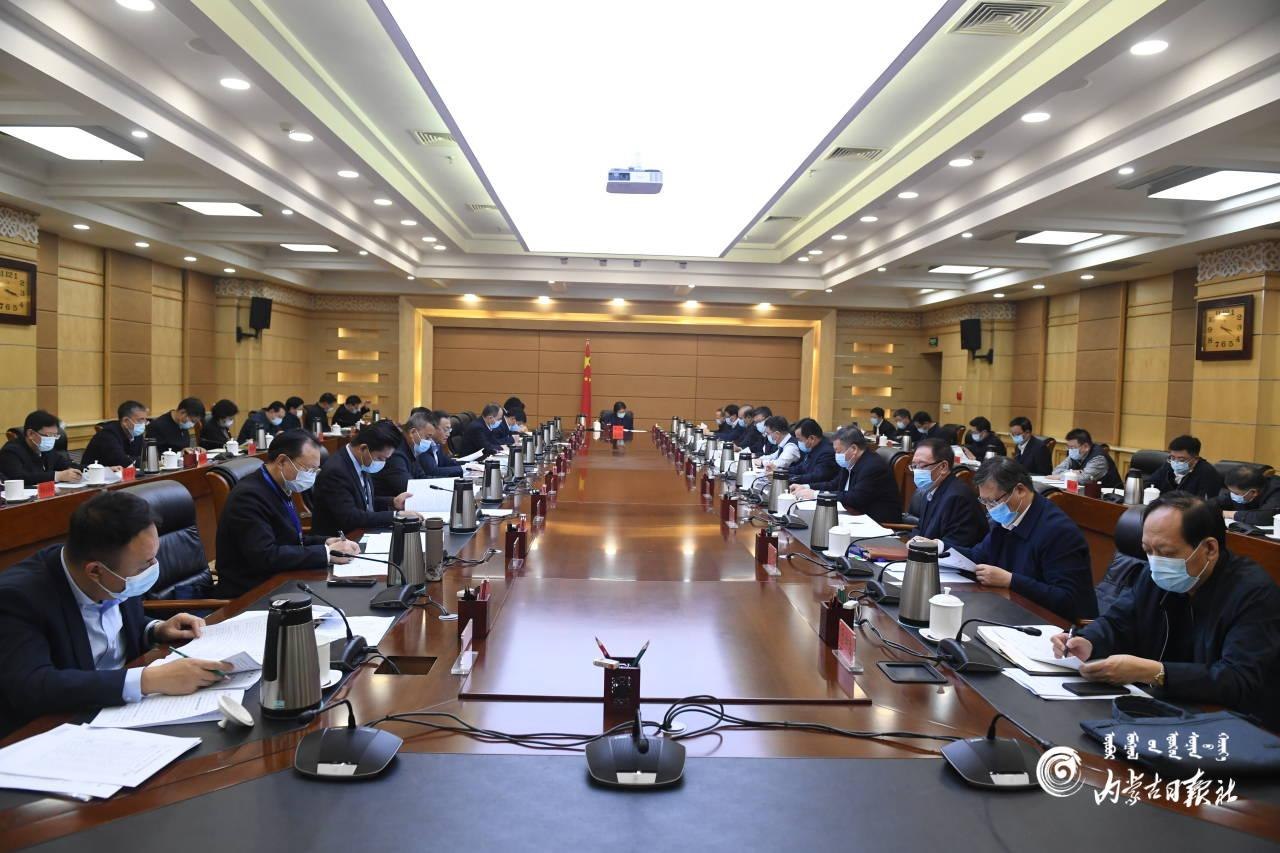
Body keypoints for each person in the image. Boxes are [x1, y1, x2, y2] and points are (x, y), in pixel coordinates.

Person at [0, 491, 231, 734]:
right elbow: (33, 687)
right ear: (95, 572)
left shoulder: (115, 576)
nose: (153, 569)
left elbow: (113, 627)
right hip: (63, 726)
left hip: (133, 709)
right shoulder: (18, 598)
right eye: (144, 565)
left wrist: (155, 630)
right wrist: (147, 680)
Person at [1053, 493, 1280, 728]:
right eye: (1148, 550)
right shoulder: (1155, 576)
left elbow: (1238, 679)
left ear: (1210, 548)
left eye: (1167, 553)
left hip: (1229, 723)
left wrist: (1155, 672)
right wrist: (1088, 641)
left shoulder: (1254, 595)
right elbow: (1118, 620)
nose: (1156, 562)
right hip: (1161, 707)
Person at [214, 430, 360, 598]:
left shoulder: (279, 486)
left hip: (280, 578)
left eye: (315, 471)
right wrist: (326, 553)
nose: (311, 476)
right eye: (308, 469)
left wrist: (326, 542)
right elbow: (265, 556)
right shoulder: (248, 497)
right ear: (282, 461)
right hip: (251, 591)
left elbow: (289, 539)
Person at [957, 457, 1096, 622]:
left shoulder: (1059, 531)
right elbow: (978, 556)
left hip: (1052, 624)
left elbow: (1067, 600)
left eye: (993, 501)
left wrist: (1010, 580)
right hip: (1010, 609)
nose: (989, 509)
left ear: (1020, 490)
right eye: (984, 502)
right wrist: (939, 548)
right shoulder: (1006, 519)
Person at [310, 420, 421, 537]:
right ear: (363, 448)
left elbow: (365, 502)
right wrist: (396, 515)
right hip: (341, 538)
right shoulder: (336, 471)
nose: (382, 463)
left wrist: (393, 502)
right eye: (380, 458)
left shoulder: (361, 461)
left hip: (362, 531)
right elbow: (350, 517)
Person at [791, 427, 901, 524]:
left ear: (854, 449)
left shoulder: (873, 467)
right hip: (854, 515)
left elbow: (855, 498)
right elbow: (834, 484)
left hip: (877, 523)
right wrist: (806, 487)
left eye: (838, 451)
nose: (836, 455)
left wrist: (816, 494)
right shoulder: (851, 461)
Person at [907, 438, 987, 548]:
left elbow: (956, 545)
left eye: (922, 465)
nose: (917, 471)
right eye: (914, 466)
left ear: (943, 467)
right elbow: (921, 529)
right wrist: (913, 541)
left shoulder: (957, 497)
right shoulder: (931, 490)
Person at [0, 410, 81, 486]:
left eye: (54, 435)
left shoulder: (47, 450)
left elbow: (66, 464)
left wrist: (81, 470)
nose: (51, 439)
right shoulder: (11, 451)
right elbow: (19, 478)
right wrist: (57, 476)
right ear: (31, 434)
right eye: (48, 435)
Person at [1145, 435, 1223, 501]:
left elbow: (1204, 503)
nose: (1176, 462)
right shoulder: (1169, 465)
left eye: (1181, 459)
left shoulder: (1207, 473)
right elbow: (1150, 484)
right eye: (1172, 457)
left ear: (1195, 459)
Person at [372, 413, 430, 498]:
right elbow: (408, 488)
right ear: (412, 432)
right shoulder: (396, 453)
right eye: (427, 437)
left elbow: (421, 477)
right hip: (387, 503)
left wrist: (446, 484)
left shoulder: (410, 448)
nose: (430, 442)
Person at [82, 401, 149, 469]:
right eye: (140, 420)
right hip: (94, 474)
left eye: (145, 420)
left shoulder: (136, 434)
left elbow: (145, 457)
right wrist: (138, 460)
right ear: (125, 421)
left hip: (125, 473)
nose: (144, 424)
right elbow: (122, 461)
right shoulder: (107, 435)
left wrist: (139, 460)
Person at [1050, 428, 1122, 488]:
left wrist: (1062, 476)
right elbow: (1056, 471)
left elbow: (1083, 479)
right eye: (1068, 447)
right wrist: (1074, 472)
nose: (1070, 450)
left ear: (1086, 447)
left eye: (1072, 447)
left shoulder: (1099, 458)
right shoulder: (1074, 454)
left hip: (1109, 497)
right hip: (1085, 493)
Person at [787, 419, 838, 489]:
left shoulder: (827, 452)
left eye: (799, 439)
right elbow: (802, 467)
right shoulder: (814, 447)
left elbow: (817, 477)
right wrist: (781, 471)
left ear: (812, 438)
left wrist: (791, 478)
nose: (798, 442)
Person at [417, 410, 465, 477]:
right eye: (446, 430)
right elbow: (433, 471)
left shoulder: (437, 444)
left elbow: (447, 462)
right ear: (433, 428)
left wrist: (471, 465)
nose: (448, 434)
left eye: (449, 430)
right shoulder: (423, 445)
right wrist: (463, 469)